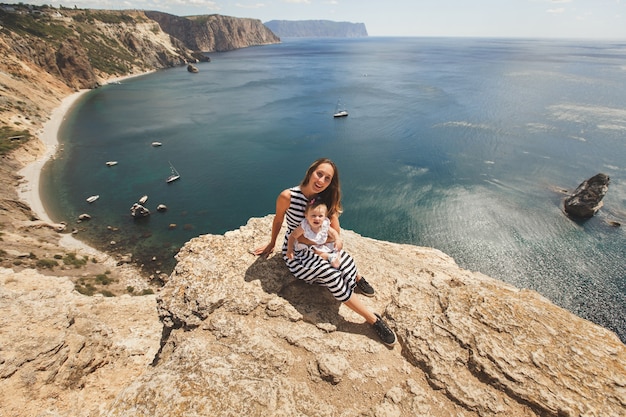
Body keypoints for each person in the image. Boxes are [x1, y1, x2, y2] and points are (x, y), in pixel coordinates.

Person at [253, 158, 397, 346]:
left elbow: (334, 231)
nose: (321, 181)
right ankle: (373, 319)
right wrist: (272, 243)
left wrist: (334, 239)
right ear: (310, 172)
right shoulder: (287, 196)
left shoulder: (326, 199)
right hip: (299, 253)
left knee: (346, 262)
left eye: (327, 178)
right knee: (331, 275)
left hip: (322, 246)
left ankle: (355, 278)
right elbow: (279, 220)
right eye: (319, 174)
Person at [286, 199, 342, 268]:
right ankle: (329, 257)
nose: (317, 218)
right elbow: (293, 236)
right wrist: (290, 249)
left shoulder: (324, 224)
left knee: (337, 245)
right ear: (306, 216)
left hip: (323, 244)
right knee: (316, 252)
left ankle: (335, 254)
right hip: (310, 246)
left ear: (325, 217)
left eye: (320, 216)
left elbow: (333, 232)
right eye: (313, 215)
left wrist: (337, 239)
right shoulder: (305, 226)